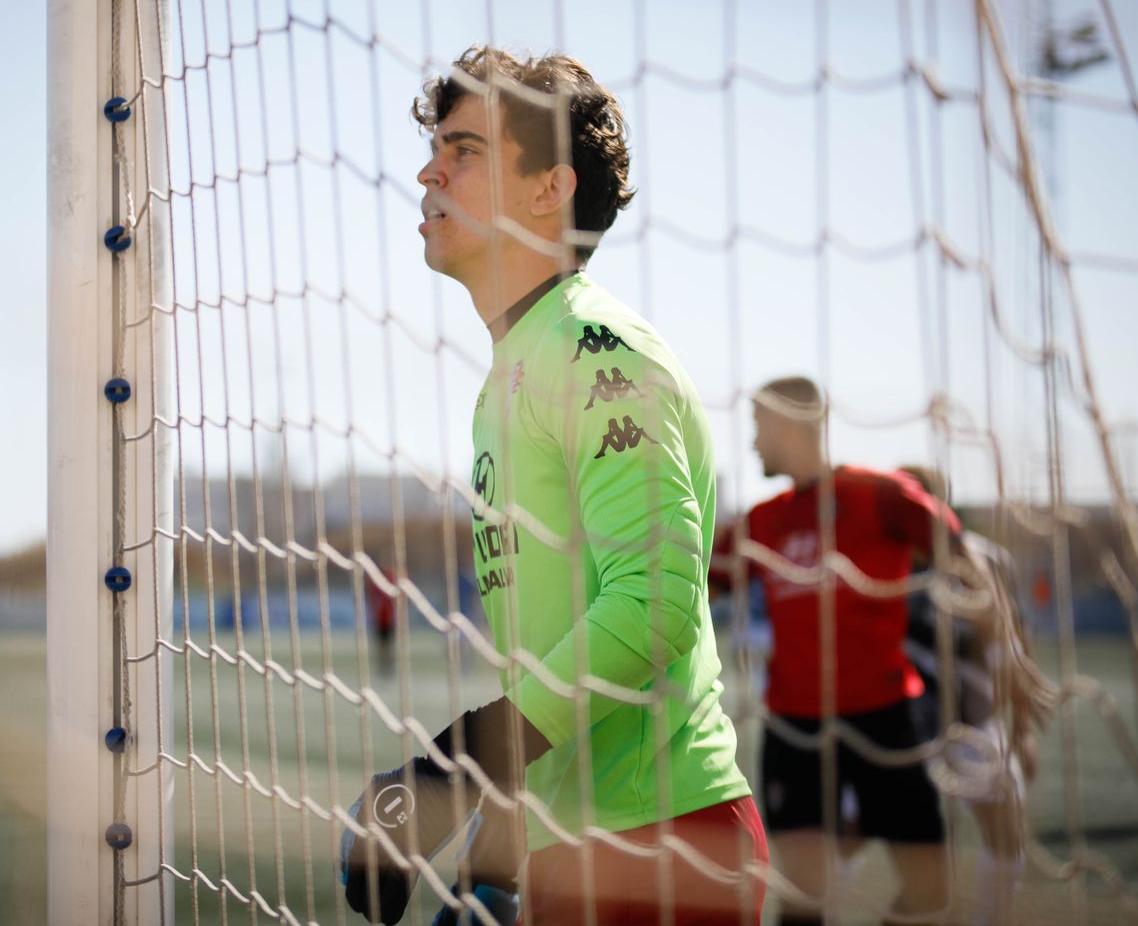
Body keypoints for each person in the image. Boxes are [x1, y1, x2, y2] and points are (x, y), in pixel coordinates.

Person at [339, 47, 767, 925]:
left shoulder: (595, 348)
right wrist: (496, 858)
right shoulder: (512, 373)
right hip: (575, 847)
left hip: (666, 845)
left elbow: (652, 606)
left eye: (464, 149)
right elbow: (555, 655)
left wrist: (450, 774)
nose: (428, 170)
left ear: (549, 190)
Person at [712, 378, 1051, 926]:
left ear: (791, 426)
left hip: (884, 723)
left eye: (759, 429)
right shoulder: (763, 520)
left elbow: (972, 573)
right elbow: (697, 584)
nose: (753, 444)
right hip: (794, 733)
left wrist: (1012, 664)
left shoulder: (881, 496)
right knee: (802, 900)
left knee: (931, 889)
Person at [897, 464, 1053, 926]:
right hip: (900, 730)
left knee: (1006, 835)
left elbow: (1014, 644)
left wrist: (1022, 730)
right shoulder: (881, 559)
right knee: (865, 841)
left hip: (975, 724)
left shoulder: (986, 560)